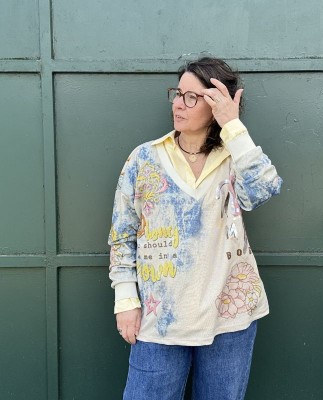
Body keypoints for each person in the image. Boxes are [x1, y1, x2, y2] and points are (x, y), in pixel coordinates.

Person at [108, 56, 283, 400]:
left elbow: (263, 189)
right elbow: (123, 234)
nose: (178, 103)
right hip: (161, 318)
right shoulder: (144, 159)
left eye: (191, 97)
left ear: (216, 105)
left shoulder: (234, 157)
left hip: (230, 317)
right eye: (177, 94)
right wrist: (125, 299)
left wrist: (233, 126)